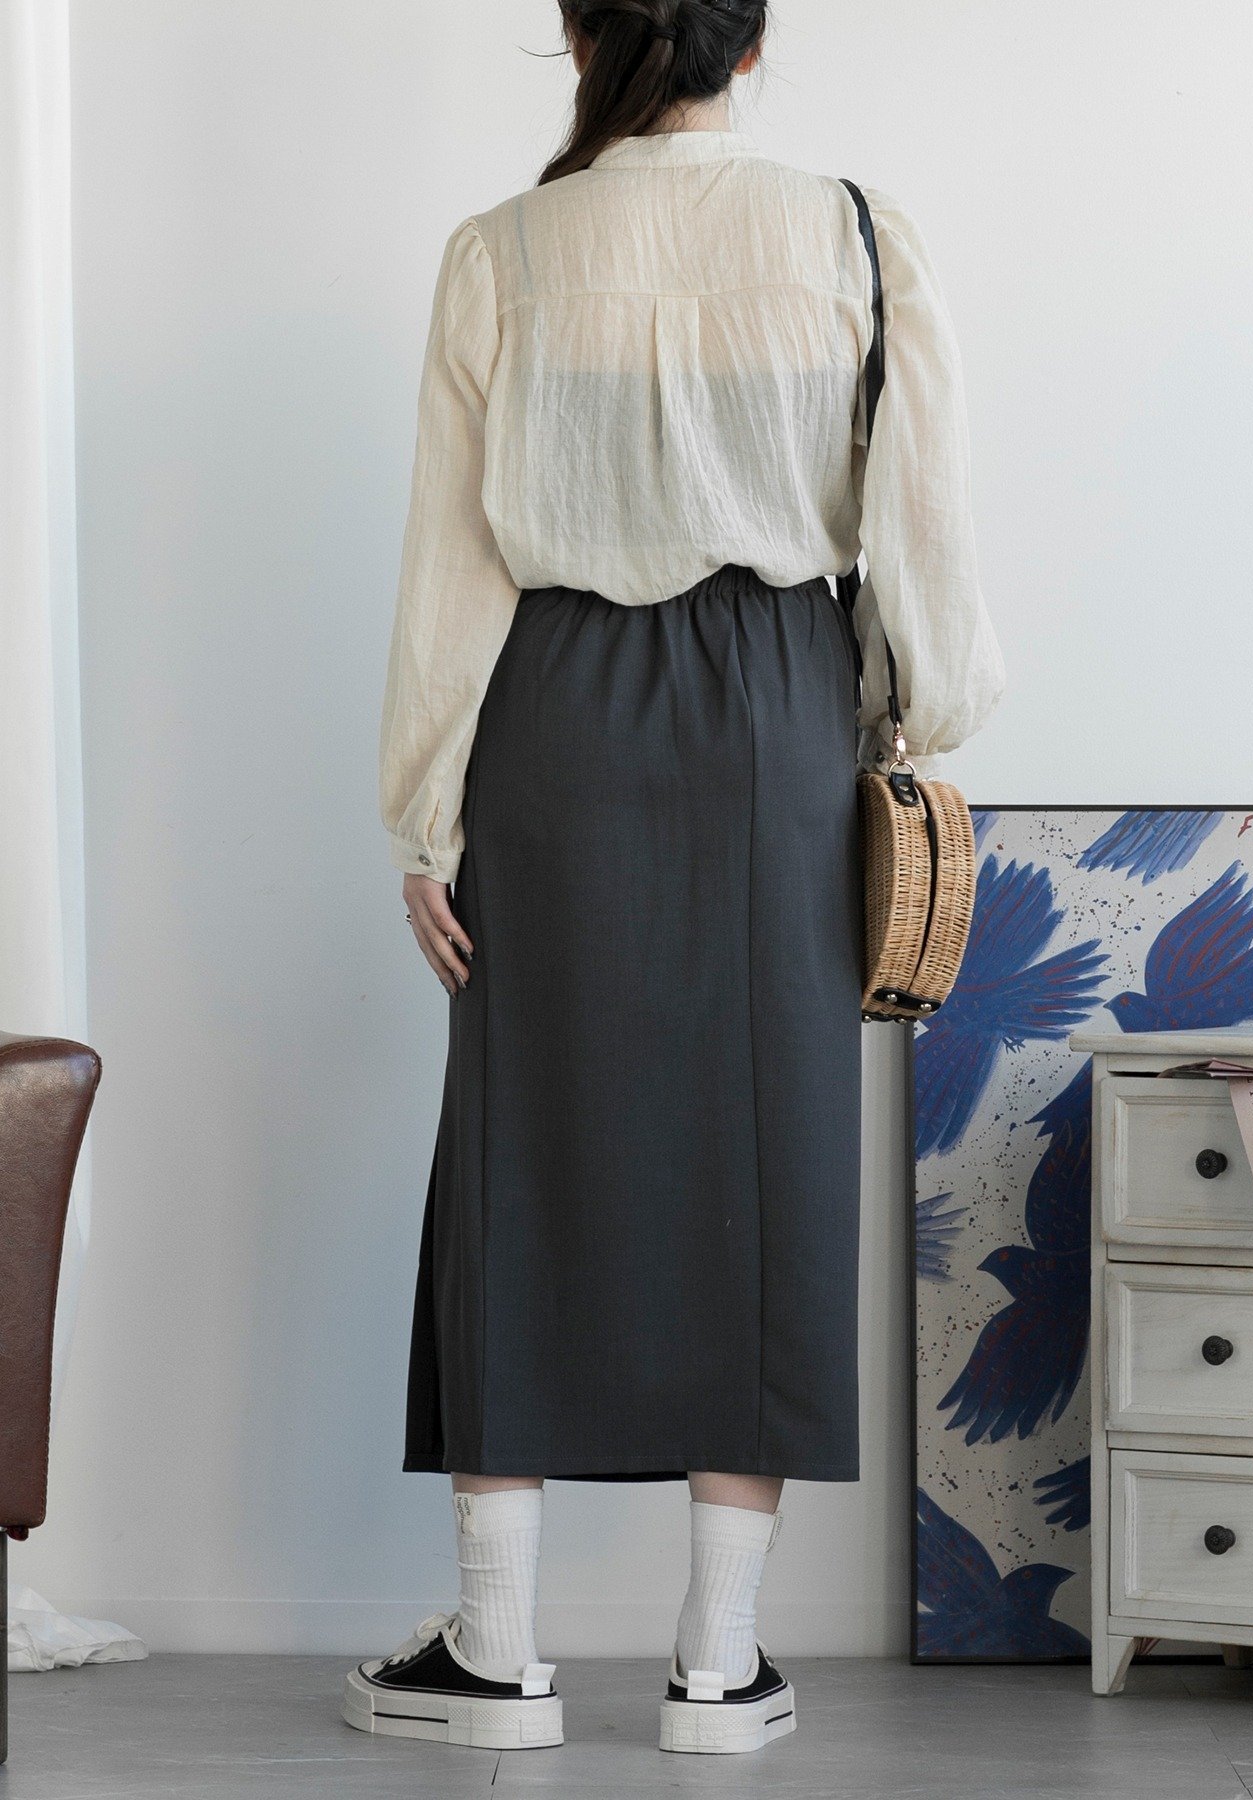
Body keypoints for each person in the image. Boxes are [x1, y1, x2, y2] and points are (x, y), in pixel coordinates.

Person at [350, 0, 1006, 1759]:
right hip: (779, 714)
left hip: (550, 710)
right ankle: (719, 1665)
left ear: (579, 39)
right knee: (771, 1146)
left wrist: (426, 813)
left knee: (520, 1140)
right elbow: (921, 521)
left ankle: (496, 1653)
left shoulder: (503, 252)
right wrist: (916, 717)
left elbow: (453, 554)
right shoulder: (854, 234)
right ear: (752, 44)